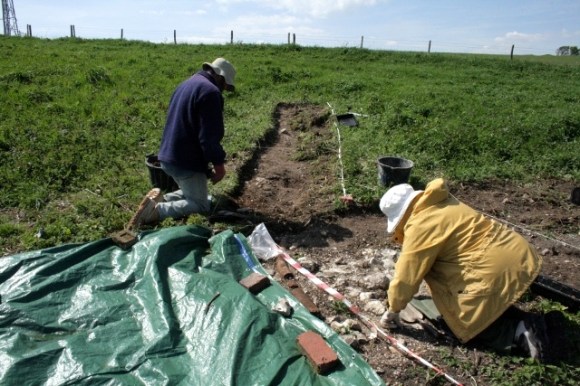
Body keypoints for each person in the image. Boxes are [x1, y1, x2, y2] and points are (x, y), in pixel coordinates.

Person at [378, 178, 559, 362]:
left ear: (401, 217)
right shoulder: (444, 201)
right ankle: (531, 320)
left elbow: (406, 276)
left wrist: (393, 309)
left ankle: (520, 332)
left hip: (492, 272)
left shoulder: (419, 225)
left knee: (463, 321)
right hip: (520, 256)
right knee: (481, 293)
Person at [129, 58, 236, 228]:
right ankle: (156, 210)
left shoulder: (187, 84)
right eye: (225, 86)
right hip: (185, 161)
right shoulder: (210, 93)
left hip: (168, 155)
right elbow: (209, 136)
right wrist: (219, 165)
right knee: (201, 205)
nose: (223, 90)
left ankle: (160, 198)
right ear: (221, 78)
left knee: (194, 193)